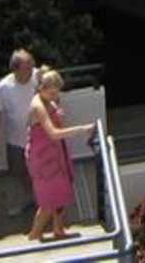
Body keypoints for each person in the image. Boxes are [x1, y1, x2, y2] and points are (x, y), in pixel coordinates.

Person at [25, 67, 96, 242]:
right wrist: (82, 129)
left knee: (62, 192)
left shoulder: (50, 100)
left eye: (56, 93)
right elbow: (53, 133)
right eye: (52, 93)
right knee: (48, 201)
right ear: (42, 88)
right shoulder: (37, 105)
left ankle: (58, 229)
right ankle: (34, 236)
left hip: (56, 152)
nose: (55, 97)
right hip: (42, 156)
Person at [0, 50, 38, 216]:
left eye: (31, 66)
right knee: (18, 173)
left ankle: (43, 201)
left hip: (38, 138)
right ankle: (28, 199)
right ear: (15, 70)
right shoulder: (4, 87)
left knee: (40, 170)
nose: (31, 70)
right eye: (27, 68)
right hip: (16, 141)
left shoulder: (38, 77)